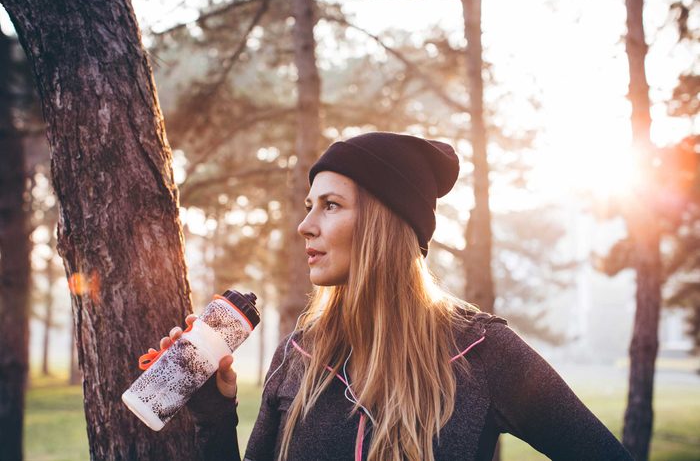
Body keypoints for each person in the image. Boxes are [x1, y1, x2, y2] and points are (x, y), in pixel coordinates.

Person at [159, 132, 633, 461]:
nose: (305, 225)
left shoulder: (483, 354)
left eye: (331, 205)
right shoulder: (297, 356)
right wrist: (214, 415)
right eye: (309, 207)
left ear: (384, 223)